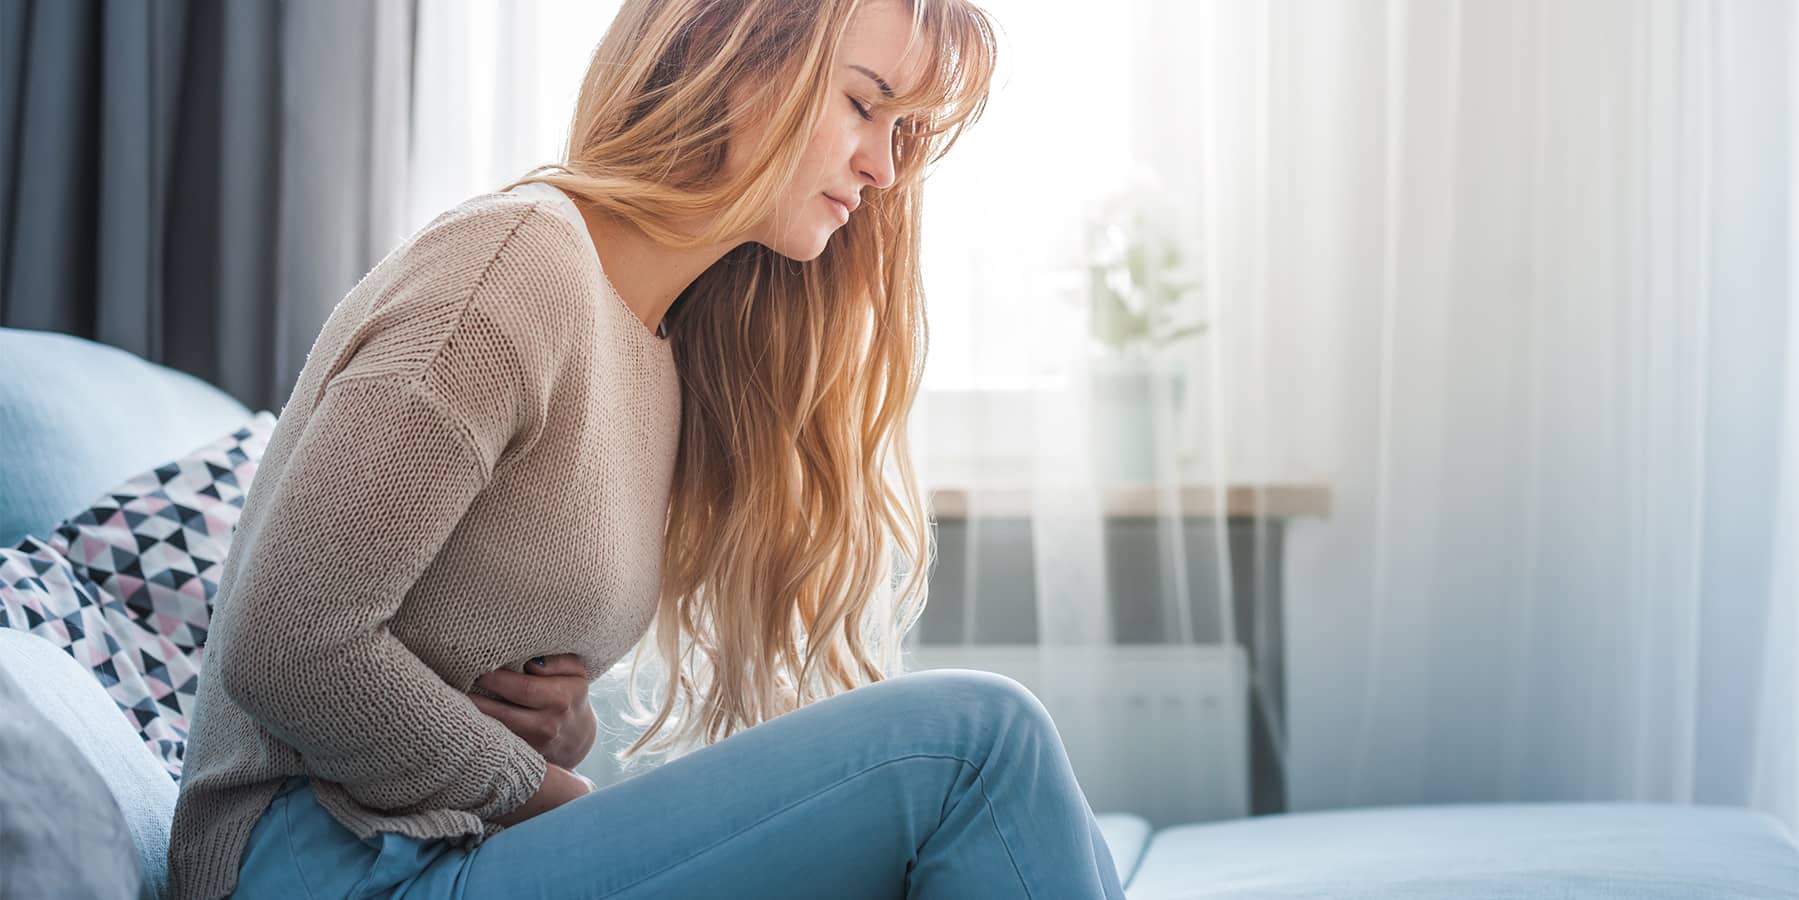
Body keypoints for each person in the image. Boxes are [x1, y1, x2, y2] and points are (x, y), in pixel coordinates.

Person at [168, 0, 1127, 897]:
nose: (882, 167)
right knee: (976, 744)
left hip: (435, 846)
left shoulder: (663, 345)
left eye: (901, 133)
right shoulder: (513, 268)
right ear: (736, 62)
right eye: (861, 105)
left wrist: (562, 730)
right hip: (326, 864)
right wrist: (551, 793)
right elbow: (290, 647)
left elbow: (467, 658)